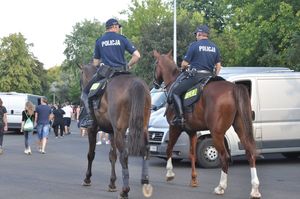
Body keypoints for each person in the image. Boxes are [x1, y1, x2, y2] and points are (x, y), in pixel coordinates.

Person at [80, 18, 141, 128]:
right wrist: (129, 65)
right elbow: (137, 55)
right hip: (123, 72)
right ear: (115, 27)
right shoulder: (122, 39)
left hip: (106, 73)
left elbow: (96, 62)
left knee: (85, 93)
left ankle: (89, 118)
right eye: (118, 27)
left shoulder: (100, 40)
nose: (118, 29)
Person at [171, 25, 222, 126]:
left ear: (199, 34)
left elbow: (184, 64)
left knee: (175, 92)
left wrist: (185, 68)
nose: (196, 37)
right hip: (209, 77)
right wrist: (214, 75)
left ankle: (180, 118)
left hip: (196, 76)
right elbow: (218, 66)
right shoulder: (215, 47)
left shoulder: (194, 45)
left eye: (196, 35)